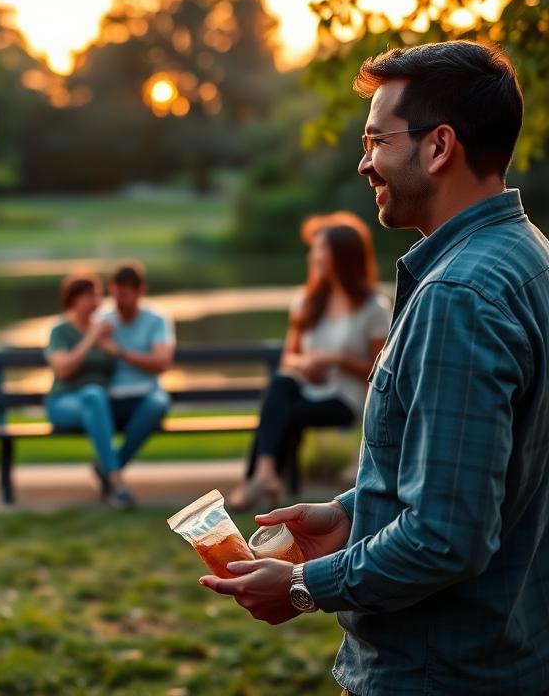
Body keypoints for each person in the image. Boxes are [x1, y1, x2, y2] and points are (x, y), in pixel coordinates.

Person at [200, 41, 549, 694]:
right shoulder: (532, 261)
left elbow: (447, 537)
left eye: (376, 141)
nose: (364, 163)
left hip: (435, 672)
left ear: (439, 147)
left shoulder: (458, 297)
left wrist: (304, 586)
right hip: (511, 656)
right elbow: (480, 477)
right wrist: (351, 510)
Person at [230, 213, 390, 510]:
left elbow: (380, 370)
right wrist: (304, 365)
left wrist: (336, 359)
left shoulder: (374, 308)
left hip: (347, 399)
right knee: (281, 385)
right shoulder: (306, 302)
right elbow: (288, 360)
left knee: (285, 412)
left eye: (319, 248)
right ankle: (266, 475)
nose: (311, 254)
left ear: (340, 256)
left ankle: (258, 480)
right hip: (307, 389)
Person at [44, 271, 136, 507]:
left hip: (98, 407)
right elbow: (63, 370)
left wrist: (110, 345)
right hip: (63, 404)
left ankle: (107, 474)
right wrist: (90, 338)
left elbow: (118, 366)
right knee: (93, 394)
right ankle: (115, 482)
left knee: (97, 397)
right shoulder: (60, 330)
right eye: (89, 295)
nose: (96, 300)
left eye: (97, 294)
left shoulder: (106, 329)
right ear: (73, 299)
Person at [93, 261, 174, 491]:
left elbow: (162, 362)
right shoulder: (102, 320)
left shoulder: (157, 320)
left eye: (125, 295)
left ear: (141, 291)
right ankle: (113, 474)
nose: (119, 301)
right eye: (115, 294)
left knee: (159, 403)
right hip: (111, 400)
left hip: (144, 397)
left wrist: (118, 352)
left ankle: (109, 470)